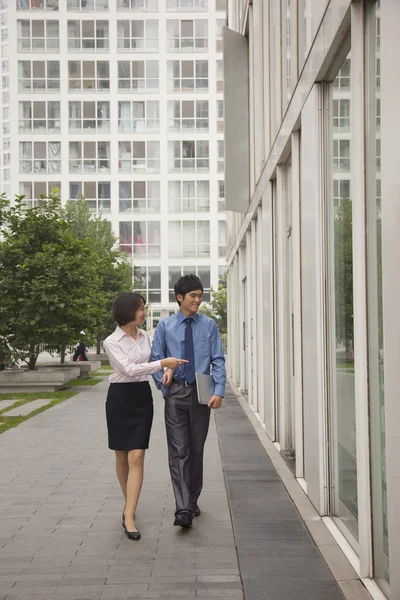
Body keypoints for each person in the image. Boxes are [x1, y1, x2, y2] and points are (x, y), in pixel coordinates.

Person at [103, 292, 187, 541]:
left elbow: (148, 363)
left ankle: (129, 515)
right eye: (141, 308)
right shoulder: (111, 341)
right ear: (128, 311)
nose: (144, 311)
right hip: (119, 397)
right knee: (121, 452)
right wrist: (162, 364)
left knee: (137, 455)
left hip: (141, 397)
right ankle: (129, 507)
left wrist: (166, 372)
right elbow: (128, 369)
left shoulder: (144, 336)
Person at [151, 274, 226, 528]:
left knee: (196, 449)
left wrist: (219, 390)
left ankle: (192, 501)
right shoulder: (165, 326)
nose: (198, 300)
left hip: (202, 390)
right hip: (176, 392)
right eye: (193, 295)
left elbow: (218, 360)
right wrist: (164, 384)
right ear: (180, 298)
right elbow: (156, 359)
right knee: (179, 451)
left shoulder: (209, 325)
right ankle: (182, 508)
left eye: (200, 295)